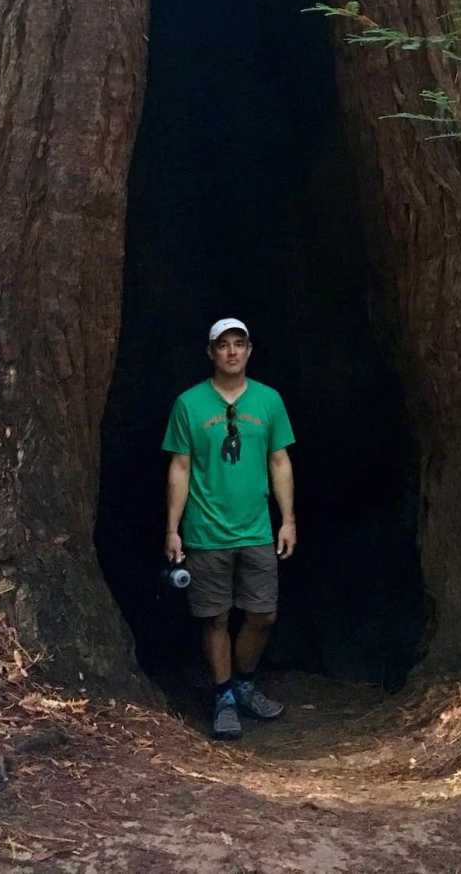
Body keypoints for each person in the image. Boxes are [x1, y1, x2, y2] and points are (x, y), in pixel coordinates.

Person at [163, 318, 296, 741]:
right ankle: (224, 696)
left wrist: (288, 520)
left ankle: (243, 684)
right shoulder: (189, 404)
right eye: (223, 345)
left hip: (256, 529)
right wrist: (172, 529)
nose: (232, 352)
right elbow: (180, 466)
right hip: (206, 530)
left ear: (250, 350)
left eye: (239, 344)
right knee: (214, 617)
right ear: (211, 353)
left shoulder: (269, 400)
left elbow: (279, 461)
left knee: (263, 614)